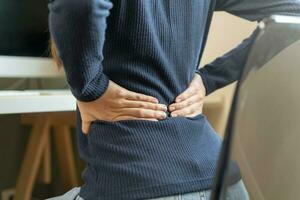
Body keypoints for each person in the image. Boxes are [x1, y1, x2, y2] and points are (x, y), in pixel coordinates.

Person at [46, 0, 300, 199]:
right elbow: (294, 9)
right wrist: (210, 78)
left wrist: (90, 89)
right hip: (225, 184)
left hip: (135, 181)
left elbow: (79, 4)